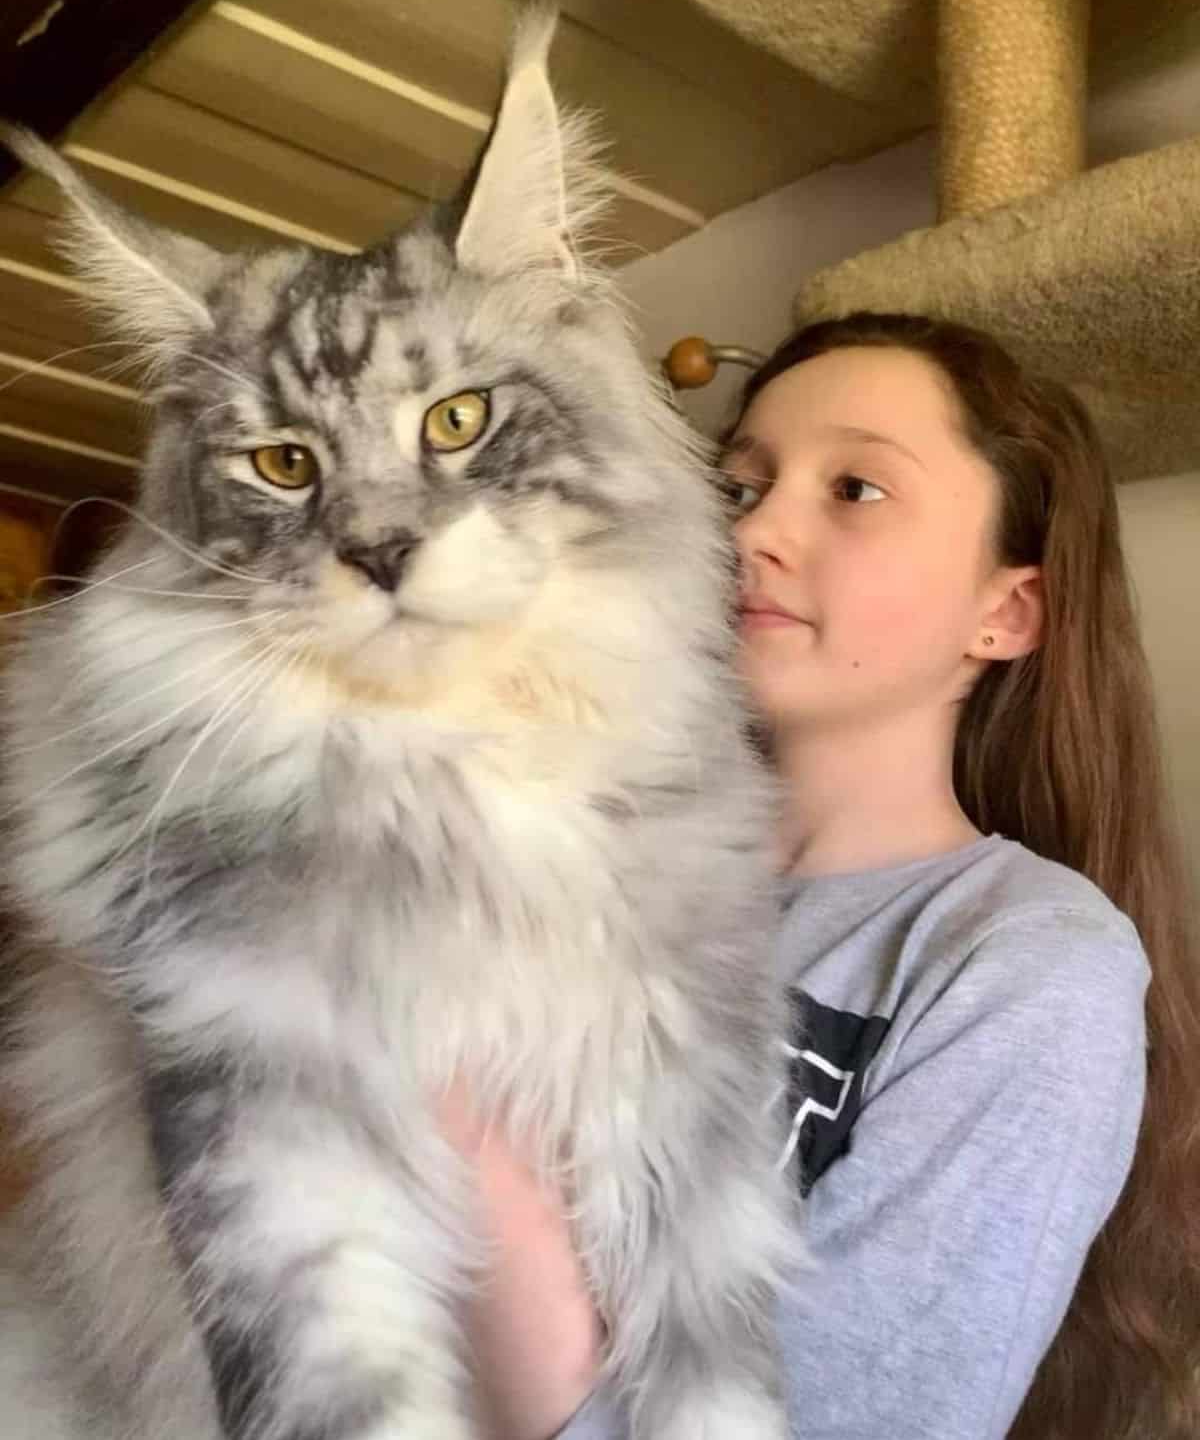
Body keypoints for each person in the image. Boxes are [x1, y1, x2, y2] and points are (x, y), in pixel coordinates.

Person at [438, 312, 1200, 1440]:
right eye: (741, 487)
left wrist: (434, 1067)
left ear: (1005, 612)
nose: (751, 534)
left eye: (856, 490)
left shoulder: (1027, 957)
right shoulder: (576, 860)